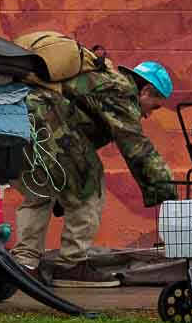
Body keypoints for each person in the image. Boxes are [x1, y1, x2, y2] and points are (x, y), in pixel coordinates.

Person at [14, 57, 179, 287]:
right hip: (52, 125)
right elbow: (137, 146)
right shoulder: (121, 92)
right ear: (146, 90)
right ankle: (72, 265)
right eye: (154, 106)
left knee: (40, 192)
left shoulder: (103, 80)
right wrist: (168, 188)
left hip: (22, 121)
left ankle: (25, 264)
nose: (148, 115)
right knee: (90, 188)